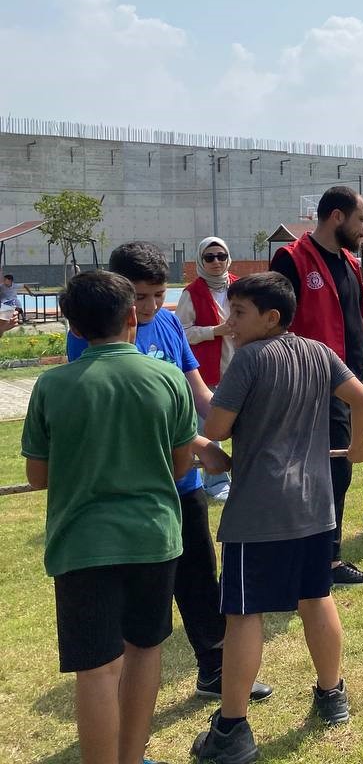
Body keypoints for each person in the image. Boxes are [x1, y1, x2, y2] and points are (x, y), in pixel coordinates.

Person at [65, 242, 271, 704]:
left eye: (158, 295)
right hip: (131, 490)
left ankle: (215, 670)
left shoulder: (168, 323)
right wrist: (196, 443)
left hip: (183, 482)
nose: (150, 307)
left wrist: (225, 425)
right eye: (140, 297)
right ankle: (118, 690)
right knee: (135, 604)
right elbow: (109, 412)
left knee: (200, 577)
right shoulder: (91, 334)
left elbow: (193, 384)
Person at [191, 272, 363, 762]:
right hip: (315, 505)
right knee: (316, 597)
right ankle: (331, 694)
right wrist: (358, 446)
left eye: (240, 313)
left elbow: (217, 428)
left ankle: (231, 729)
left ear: (271, 317)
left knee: (244, 614)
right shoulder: (319, 352)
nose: (230, 323)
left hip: (260, 510)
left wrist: (202, 443)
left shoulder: (250, 359)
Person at [23, 271, 201, 764]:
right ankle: (132, 756)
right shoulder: (167, 379)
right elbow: (182, 464)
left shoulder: (52, 385)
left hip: (81, 543)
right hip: (154, 537)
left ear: (72, 327)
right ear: (130, 316)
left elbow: (38, 477)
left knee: (97, 668)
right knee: (145, 652)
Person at [270, 185, 363, 588]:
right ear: (337, 217)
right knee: (313, 476)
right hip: (310, 388)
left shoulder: (350, 263)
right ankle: (313, 563)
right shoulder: (290, 259)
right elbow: (274, 327)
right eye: (362, 218)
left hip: (350, 386)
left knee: (339, 474)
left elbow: (356, 325)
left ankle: (328, 561)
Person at [176, 236, 237, 502]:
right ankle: (216, 483)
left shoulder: (239, 286)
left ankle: (241, 476)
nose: (216, 262)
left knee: (242, 426)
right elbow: (182, 332)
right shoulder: (192, 292)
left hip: (239, 366)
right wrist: (215, 331)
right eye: (209, 257)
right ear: (201, 260)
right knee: (209, 427)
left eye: (221, 256)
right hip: (206, 371)